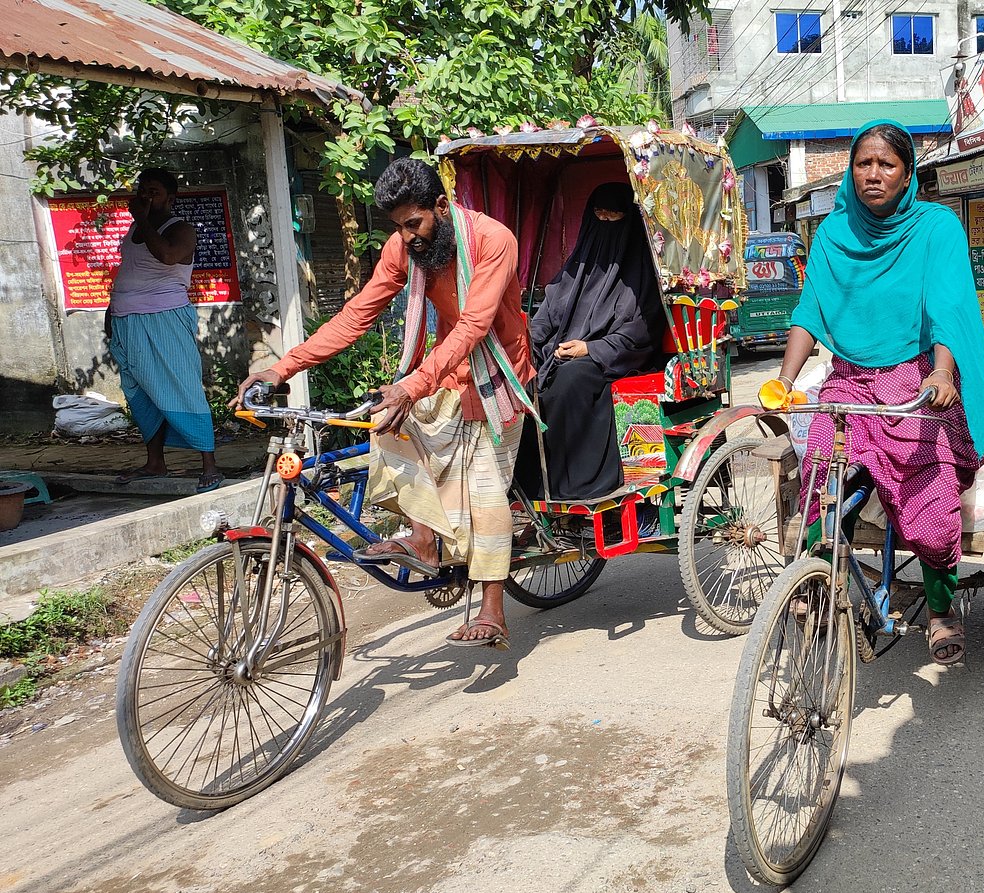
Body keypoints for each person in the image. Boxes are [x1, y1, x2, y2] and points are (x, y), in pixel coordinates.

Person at [234, 159, 536, 649]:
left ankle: (493, 609)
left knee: (481, 492)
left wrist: (412, 387)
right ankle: (422, 537)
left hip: (497, 375)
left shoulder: (492, 239)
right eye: (397, 227)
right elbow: (357, 315)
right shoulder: (404, 248)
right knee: (387, 423)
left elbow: (474, 326)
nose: (407, 237)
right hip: (442, 370)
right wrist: (282, 367)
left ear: (441, 206)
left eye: (413, 224)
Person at [767, 119, 984, 666]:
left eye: (886, 165)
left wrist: (943, 373)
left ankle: (941, 611)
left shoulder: (936, 228)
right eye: (863, 163)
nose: (873, 174)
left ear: (907, 173)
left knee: (929, 503)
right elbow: (810, 311)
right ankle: (816, 580)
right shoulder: (831, 233)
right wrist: (783, 378)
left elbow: (948, 307)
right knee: (819, 480)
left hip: (914, 380)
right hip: (847, 379)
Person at [516, 183, 664, 500]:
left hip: (613, 362)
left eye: (613, 218)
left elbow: (639, 332)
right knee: (524, 381)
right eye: (599, 216)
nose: (604, 224)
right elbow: (549, 313)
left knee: (570, 381)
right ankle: (532, 485)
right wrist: (524, 342)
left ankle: (576, 484)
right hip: (563, 353)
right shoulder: (579, 266)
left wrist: (590, 349)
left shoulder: (642, 274)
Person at [105, 168, 223, 493]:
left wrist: (142, 219)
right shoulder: (134, 228)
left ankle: (209, 465)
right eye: (142, 190)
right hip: (126, 322)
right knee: (139, 391)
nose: (145, 197)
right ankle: (155, 462)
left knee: (183, 385)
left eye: (153, 192)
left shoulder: (182, 230)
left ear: (171, 198)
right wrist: (111, 315)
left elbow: (168, 256)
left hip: (165, 319)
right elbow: (128, 272)